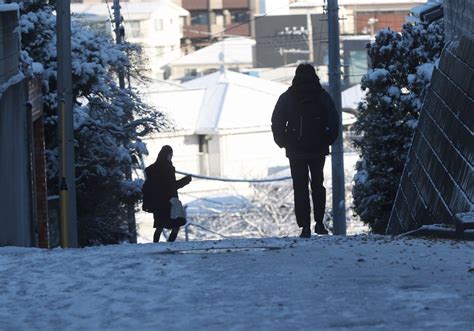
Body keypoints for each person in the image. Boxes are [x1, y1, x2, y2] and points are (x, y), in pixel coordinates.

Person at [271, 63, 339, 238]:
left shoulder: (287, 97)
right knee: (318, 186)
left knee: (300, 187)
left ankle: (305, 226)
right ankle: (319, 223)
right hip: (318, 149)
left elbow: (277, 122)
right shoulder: (322, 96)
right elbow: (333, 120)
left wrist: (284, 142)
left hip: (295, 151)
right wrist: (327, 140)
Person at [143, 145, 192, 242]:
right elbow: (171, 186)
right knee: (176, 225)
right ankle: (169, 245)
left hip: (157, 202)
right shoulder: (168, 168)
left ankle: (155, 246)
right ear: (167, 155)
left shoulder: (153, 169)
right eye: (170, 155)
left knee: (160, 226)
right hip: (169, 202)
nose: (171, 157)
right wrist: (185, 180)